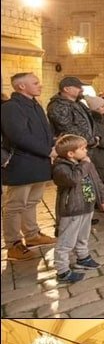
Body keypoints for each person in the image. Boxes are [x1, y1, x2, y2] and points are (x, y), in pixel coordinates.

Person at [2, 72, 57, 260]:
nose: (40, 85)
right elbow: (19, 136)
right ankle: (13, 244)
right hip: (22, 162)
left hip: (39, 161)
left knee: (32, 201)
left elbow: (45, 130)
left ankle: (32, 235)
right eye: (35, 83)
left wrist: (53, 145)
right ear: (21, 87)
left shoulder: (35, 105)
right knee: (15, 205)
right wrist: (47, 151)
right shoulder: (11, 107)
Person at [50, 133, 104, 283]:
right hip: (72, 209)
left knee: (83, 235)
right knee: (67, 240)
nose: (86, 152)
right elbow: (73, 179)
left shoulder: (85, 162)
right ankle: (62, 270)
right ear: (70, 153)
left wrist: (103, 199)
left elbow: (96, 180)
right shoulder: (60, 167)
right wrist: (85, 164)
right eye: (82, 149)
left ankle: (82, 257)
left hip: (87, 205)